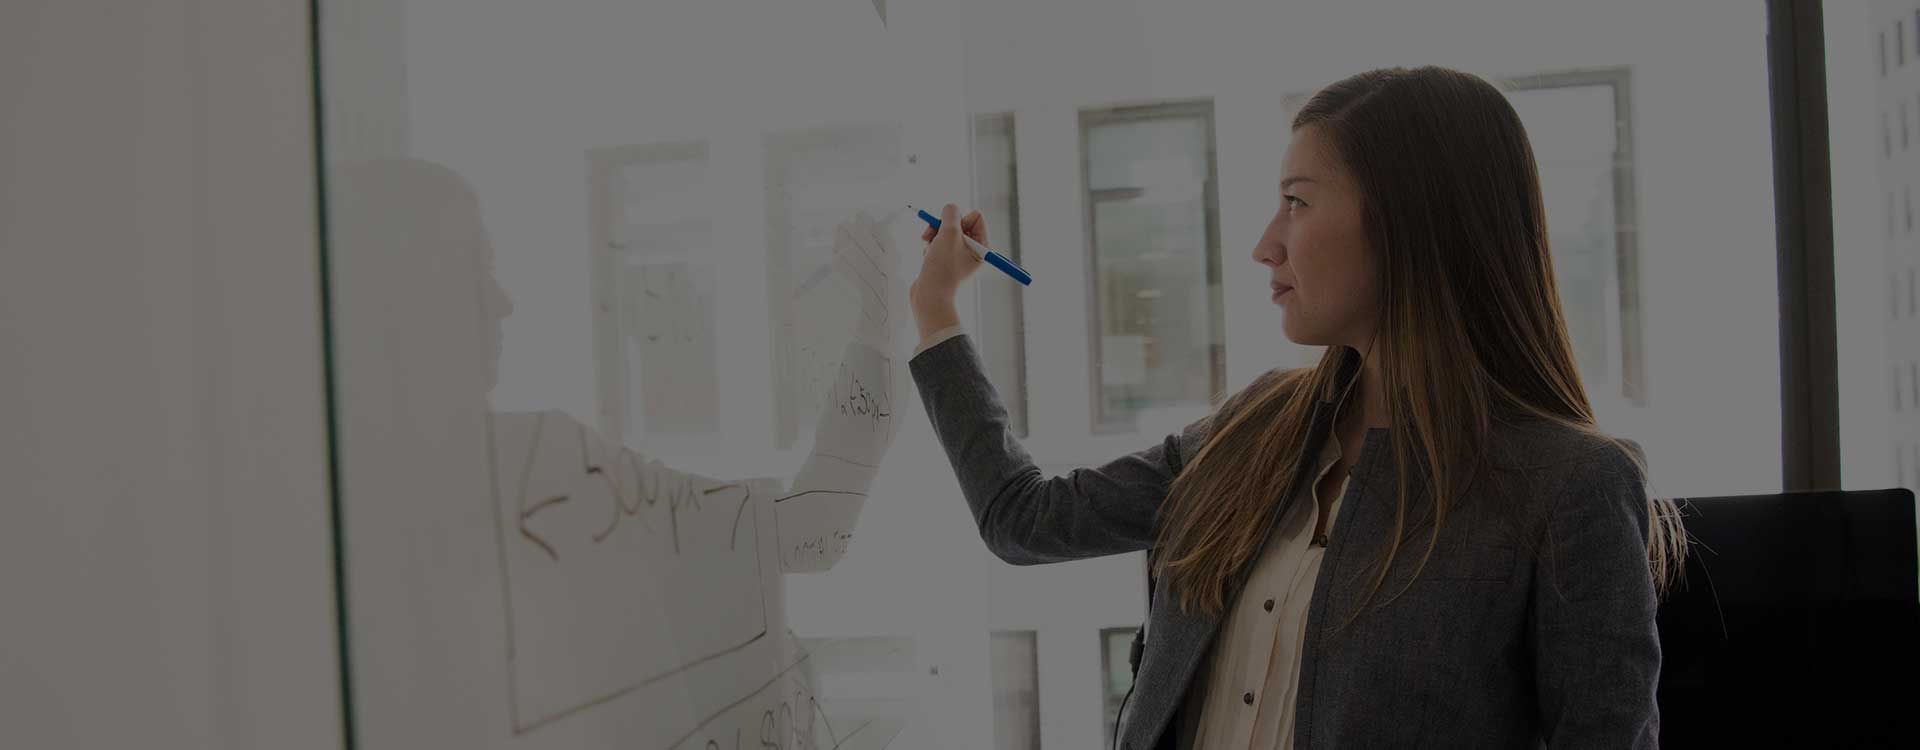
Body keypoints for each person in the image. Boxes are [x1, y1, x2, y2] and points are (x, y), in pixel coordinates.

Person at [906, 66, 1687, 749]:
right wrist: (937, 312)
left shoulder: (1568, 486)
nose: (1265, 245)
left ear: (1409, 221)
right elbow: (1023, 519)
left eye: (1296, 203)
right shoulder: (1253, 429)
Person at [327, 157, 899, 749]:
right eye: (473, 271)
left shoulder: (338, 524)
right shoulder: (545, 469)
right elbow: (811, 529)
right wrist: (878, 326)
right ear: (404, 302)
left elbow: (809, 531)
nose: (502, 301)